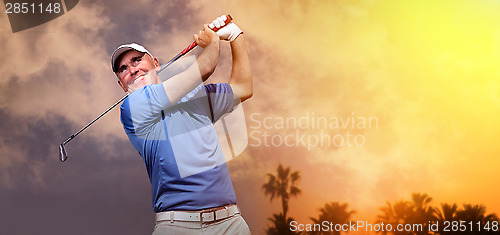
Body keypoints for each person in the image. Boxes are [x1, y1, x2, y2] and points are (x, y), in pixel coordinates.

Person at [111, 15, 252, 234]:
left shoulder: (193, 95)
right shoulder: (132, 107)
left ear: (156, 63)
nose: (131, 69)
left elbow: (243, 88)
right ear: (122, 85)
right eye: (123, 69)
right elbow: (205, 68)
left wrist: (236, 36)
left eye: (137, 60)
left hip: (230, 223)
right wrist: (212, 42)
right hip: (177, 226)